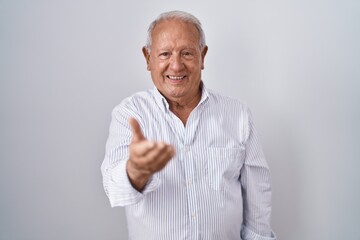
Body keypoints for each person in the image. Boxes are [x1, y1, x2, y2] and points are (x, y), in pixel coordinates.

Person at [101, 10, 276, 240]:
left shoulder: (238, 115)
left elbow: (258, 196)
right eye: (164, 54)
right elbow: (114, 189)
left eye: (187, 53)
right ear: (148, 58)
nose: (176, 66)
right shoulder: (129, 114)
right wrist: (137, 170)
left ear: (202, 56)